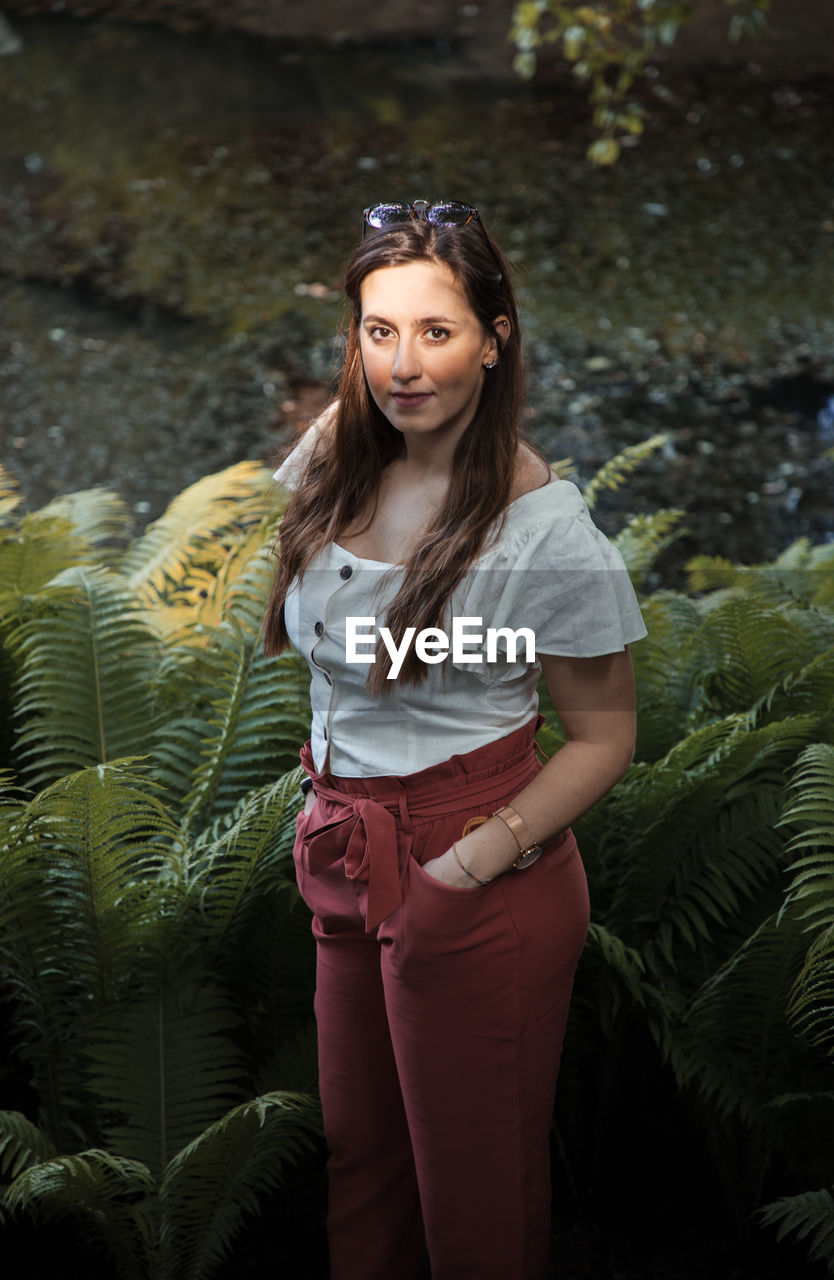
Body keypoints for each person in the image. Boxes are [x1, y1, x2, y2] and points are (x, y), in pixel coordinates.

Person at [263, 199, 646, 1280]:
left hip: (474, 860)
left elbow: (604, 734)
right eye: (378, 331)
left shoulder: (545, 533)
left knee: (473, 1198)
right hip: (342, 848)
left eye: (436, 331)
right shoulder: (337, 448)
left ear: (495, 335)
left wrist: (461, 866)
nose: (402, 364)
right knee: (364, 1166)